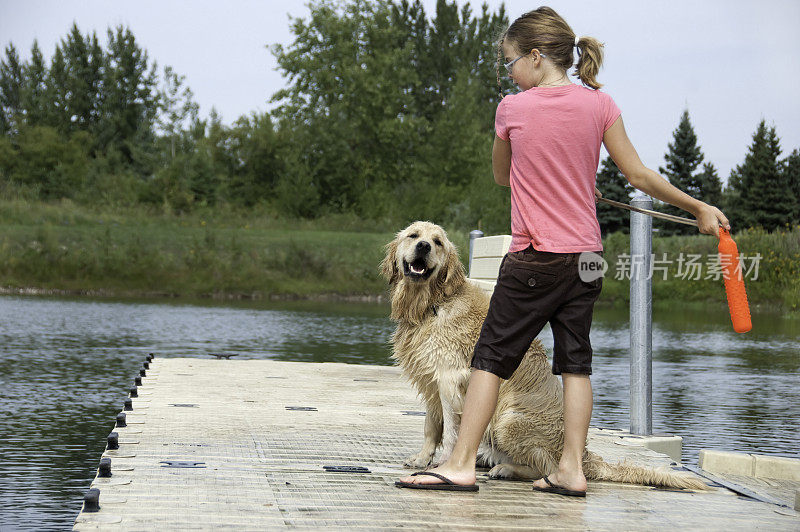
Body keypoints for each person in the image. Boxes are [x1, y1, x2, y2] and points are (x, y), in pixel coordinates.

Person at [397, 6, 730, 496]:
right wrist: (698, 206)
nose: (508, 73)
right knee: (576, 363)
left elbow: (501, 175)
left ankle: (461, 463)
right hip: (587, 261)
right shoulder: (601, 105)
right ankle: (571, 469)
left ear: (535, 57)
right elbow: (638, 176)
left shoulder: (512, 108)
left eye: (510, 62)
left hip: (536, 259)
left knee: (490, 357)